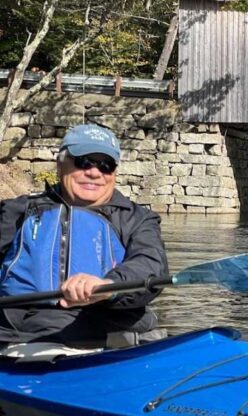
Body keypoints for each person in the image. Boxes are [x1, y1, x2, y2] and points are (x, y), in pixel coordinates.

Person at [0, 124, 168, 348]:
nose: (94, 173)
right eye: (84, 162)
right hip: (16, 335)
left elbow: (149, 265)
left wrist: (108, 286)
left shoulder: (138, 220)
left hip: (102, 334)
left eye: (106, 166)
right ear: (60, 165)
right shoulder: (16, 211)